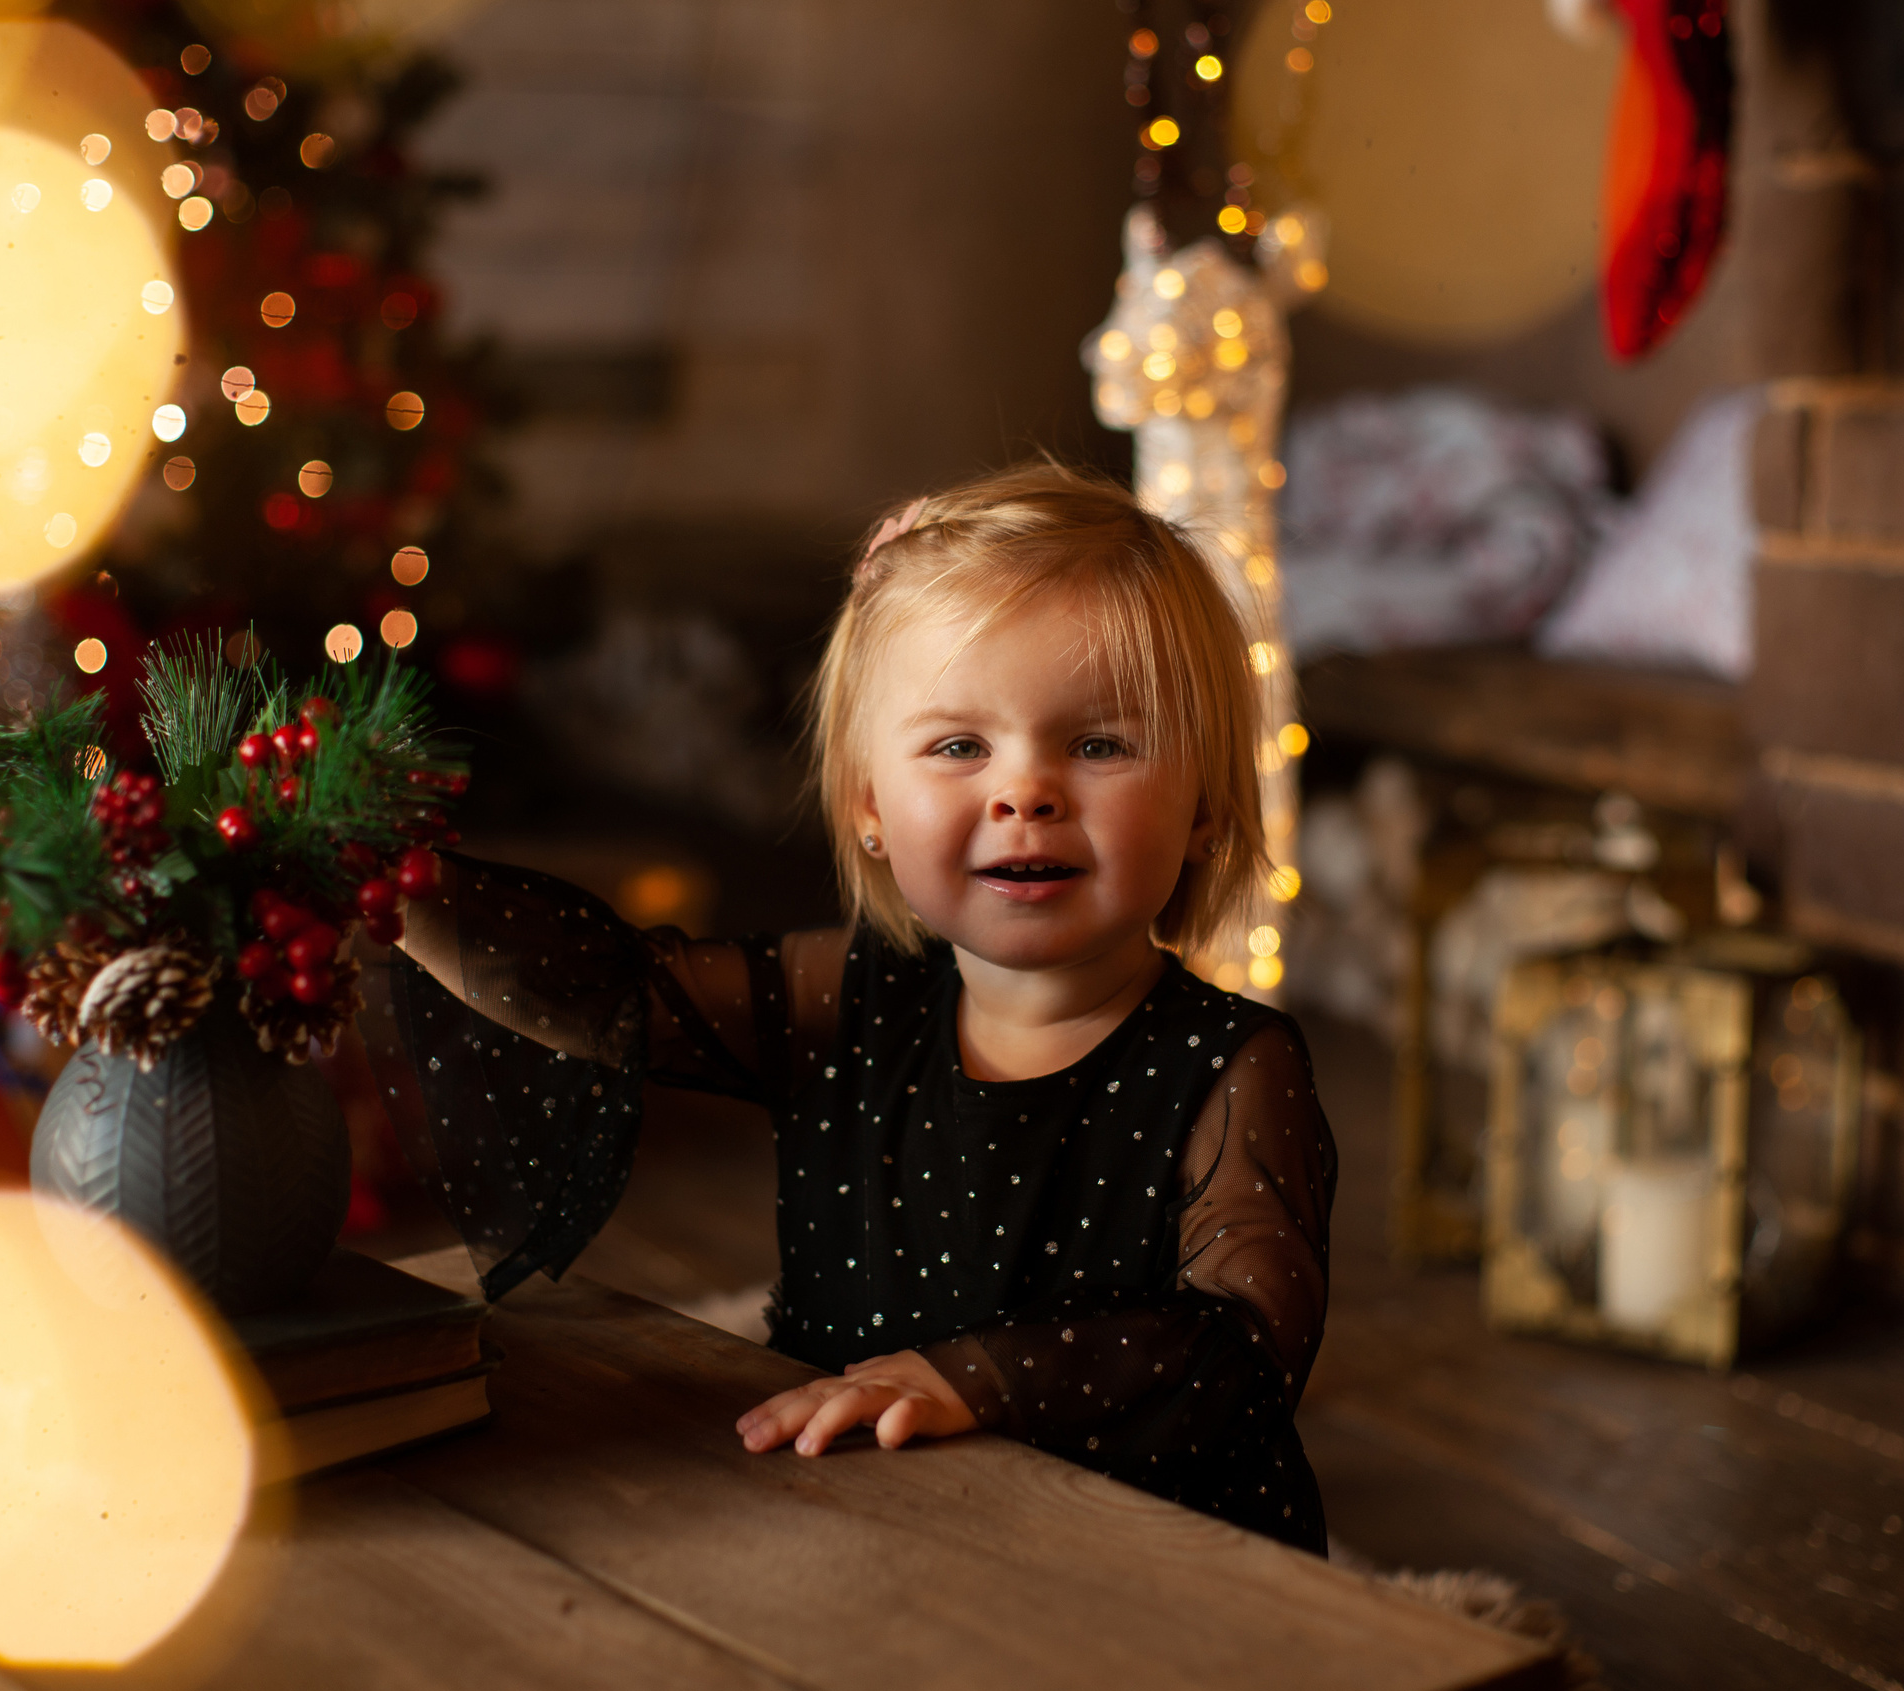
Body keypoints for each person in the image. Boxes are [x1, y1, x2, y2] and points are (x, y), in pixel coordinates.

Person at [373, 462, 1336, 1552]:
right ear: (872, 806)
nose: (1026, 791)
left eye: (1099, 744)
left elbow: (1245, 1343)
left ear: (1209, 806)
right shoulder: (852, 995)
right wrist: (392, 883)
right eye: (960, 747)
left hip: (1135, 1548)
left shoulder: (1234, 1064)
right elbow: (610, 996)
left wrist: (973, 1379)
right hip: (870, 1507)